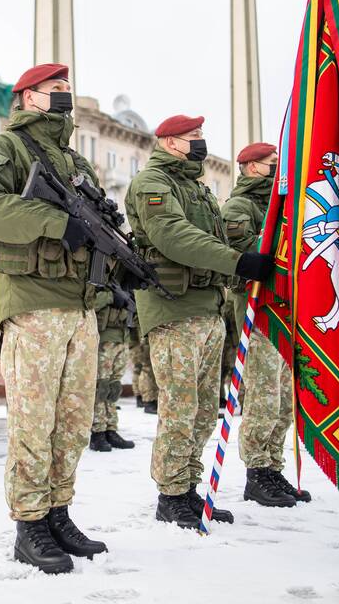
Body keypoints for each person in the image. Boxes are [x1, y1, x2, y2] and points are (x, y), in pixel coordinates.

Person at [0, 63, 106, 574]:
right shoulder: (4, 150)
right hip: (32, 304)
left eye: (69, 88)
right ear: (27, 98)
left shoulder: (75, 161)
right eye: (55, 89)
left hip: (79, 308)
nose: (65, 95)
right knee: (33, 421)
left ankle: (57, 512)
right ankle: (29, 524)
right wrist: (56, 222)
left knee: (72, 423)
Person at [125, 114, 274, 530]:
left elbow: (216, 242)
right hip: (173, 307)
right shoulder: (153, 183)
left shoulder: (196, 188)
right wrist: (238, 260)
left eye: (201, 136)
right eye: (194, 137)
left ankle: (187, 488)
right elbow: (172, 235)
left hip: (207, 306)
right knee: (180, 406)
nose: (201, 143)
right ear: (171, 143)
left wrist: (241, 269)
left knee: (205, 409)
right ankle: (170, 494)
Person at [222, 142, 309, 507]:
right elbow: (239, 263)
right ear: (250, 167)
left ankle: (273, 467)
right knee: (264, 398)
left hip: (287, 313)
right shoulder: (238, 207)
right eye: (270, 163)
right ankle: (256, 472)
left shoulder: (287, 205)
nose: (277, 168)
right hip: (258, 315)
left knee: (285, 400)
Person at [89, 273, 135, 452]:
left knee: (114, 386)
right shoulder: (97, 276)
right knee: (101, 386)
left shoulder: (125, 281)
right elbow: (88, 302)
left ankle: (111, 429)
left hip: (121, 338)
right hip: (104, 338)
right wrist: (109, 297)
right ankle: (97, 432)